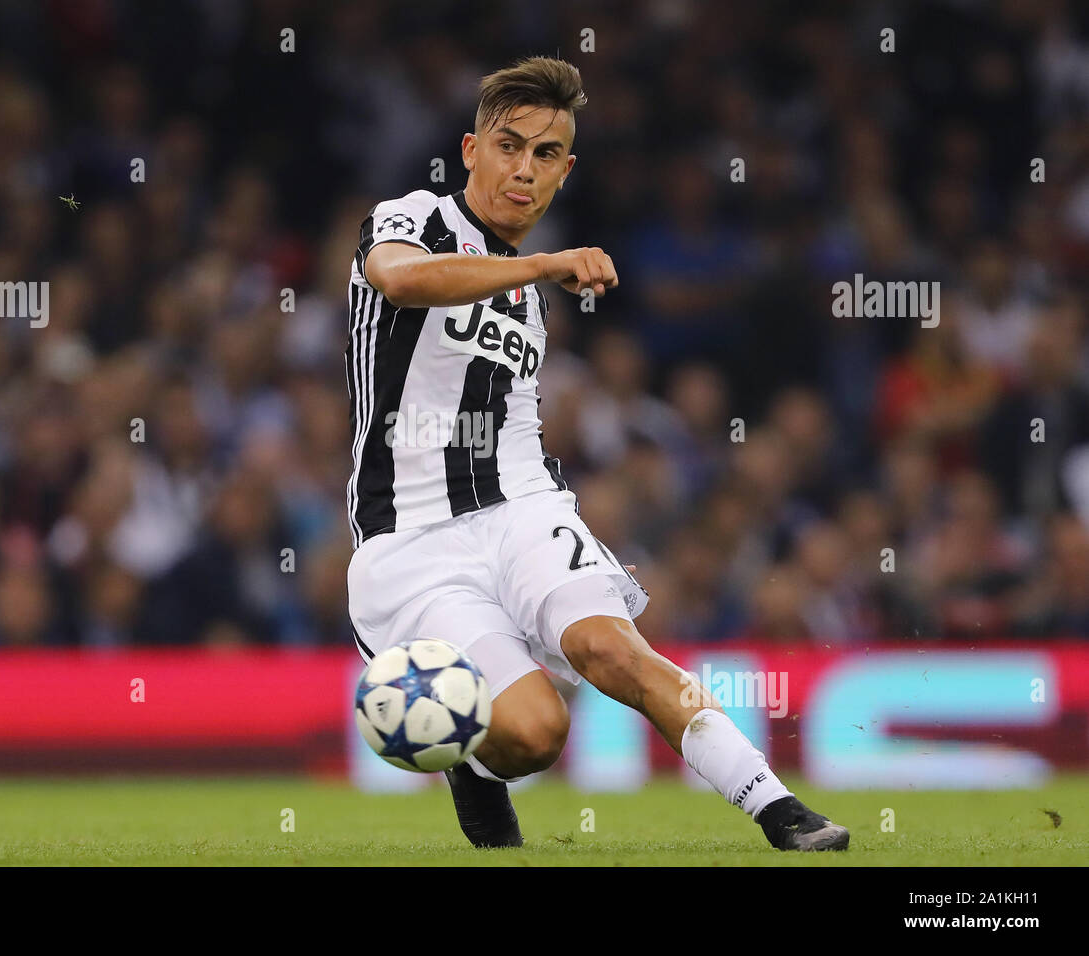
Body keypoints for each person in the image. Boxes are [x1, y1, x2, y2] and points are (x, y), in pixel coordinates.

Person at [344, 56, 847, 851]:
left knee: (612, 648)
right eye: (508, 145)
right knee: (536, 734)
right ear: (471, 150)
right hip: (412, 541)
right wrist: (543, 264)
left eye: (546, 155)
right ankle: (470, 763)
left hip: (519, 510)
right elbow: (399, 282)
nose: (524, 169)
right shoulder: (411, 218)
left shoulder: (529, 309)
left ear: (565, 170)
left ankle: (780, 809)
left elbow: (510, 425)